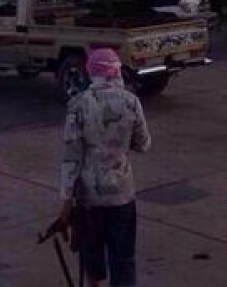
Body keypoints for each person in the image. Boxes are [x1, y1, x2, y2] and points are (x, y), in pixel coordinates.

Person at [57, 49, 151, 287]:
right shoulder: (131, 102)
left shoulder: (77, 105)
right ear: (116, 71)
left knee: (92, 255)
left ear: (91, 72)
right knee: (123, 258)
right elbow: (144, 144)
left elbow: (71, 158)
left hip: (90, 197)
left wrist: (65, 205)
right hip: (122, 194)